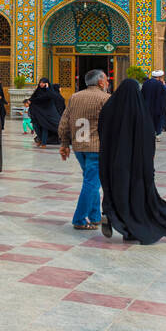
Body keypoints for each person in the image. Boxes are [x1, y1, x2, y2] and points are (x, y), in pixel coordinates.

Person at [97, 77, 166, 244]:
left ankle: (111, 215)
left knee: (114, 190)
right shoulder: (141, 112)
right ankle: (132, 228)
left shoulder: (109, 109)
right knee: (136, 194)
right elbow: (148, 140)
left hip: (111, 160)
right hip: (136, 164)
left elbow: (101, 132)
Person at [57, 68, 108, 230]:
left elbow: (64, 122)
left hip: (79, 146)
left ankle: (95, 216)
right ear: (100, 82)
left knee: (90, 180)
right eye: (106, 80)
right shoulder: (106, 99)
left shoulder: (74, 97)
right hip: (96, 147)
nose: (107, 83)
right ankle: (79, 219)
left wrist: (64, 144)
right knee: (92, 183)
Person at [27, 78, 61, 147]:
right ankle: (40, 139)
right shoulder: (38, 91)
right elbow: (33, 98)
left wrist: (48, 88)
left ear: (46, 83)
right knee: (36, 126)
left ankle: (44, 143)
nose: (41, 84)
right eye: (40, 82)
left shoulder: (50, 91)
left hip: (47, 113)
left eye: (43, 83)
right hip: (38, 113)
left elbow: (50, 96)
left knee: (45, 127)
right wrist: (30, 101)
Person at [141, 70, 166, 141]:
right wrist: (164, 84)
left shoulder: (146, 83)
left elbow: (142, 93)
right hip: (158, 107)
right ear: (159, 77)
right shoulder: (160, 84)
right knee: (158, 121)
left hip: (147, 106)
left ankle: (149, 134)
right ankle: (157, 135)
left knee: (149, 120)